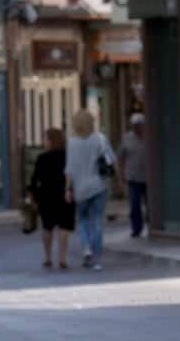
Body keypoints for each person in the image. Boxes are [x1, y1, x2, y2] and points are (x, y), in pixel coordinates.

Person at [65, 109, 116, 271]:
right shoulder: (100, 139)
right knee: (96, 221)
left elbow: (69, 169)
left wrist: (68, 189)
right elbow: (112, 160)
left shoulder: (71, 143)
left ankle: (86, 249)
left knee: (82, 220)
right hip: (98, 186)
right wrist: (120, 181)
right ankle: (96, 256)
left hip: (80, 188)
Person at [28, 128, 75, 269]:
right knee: (64, 227)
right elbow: (72, 175)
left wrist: (33, 195)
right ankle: (62, 258)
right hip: (63, 195)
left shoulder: (42, 158)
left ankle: (48, 257)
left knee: (47, 227)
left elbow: (34, 179)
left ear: (50, 141)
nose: (44, 141)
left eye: (45, 139)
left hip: (46, 197)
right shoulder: (67, 156)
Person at [116, 113, 147, 238]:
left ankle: (153, 227)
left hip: (148, 178)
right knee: (134, 204)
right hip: (133, 177)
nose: (137, 127)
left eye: (140, 124)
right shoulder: (127, 138)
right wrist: (120, 177)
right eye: (135, 125)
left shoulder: (150, 137)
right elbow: (120, 158)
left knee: (151, 205)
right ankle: (136, 229)